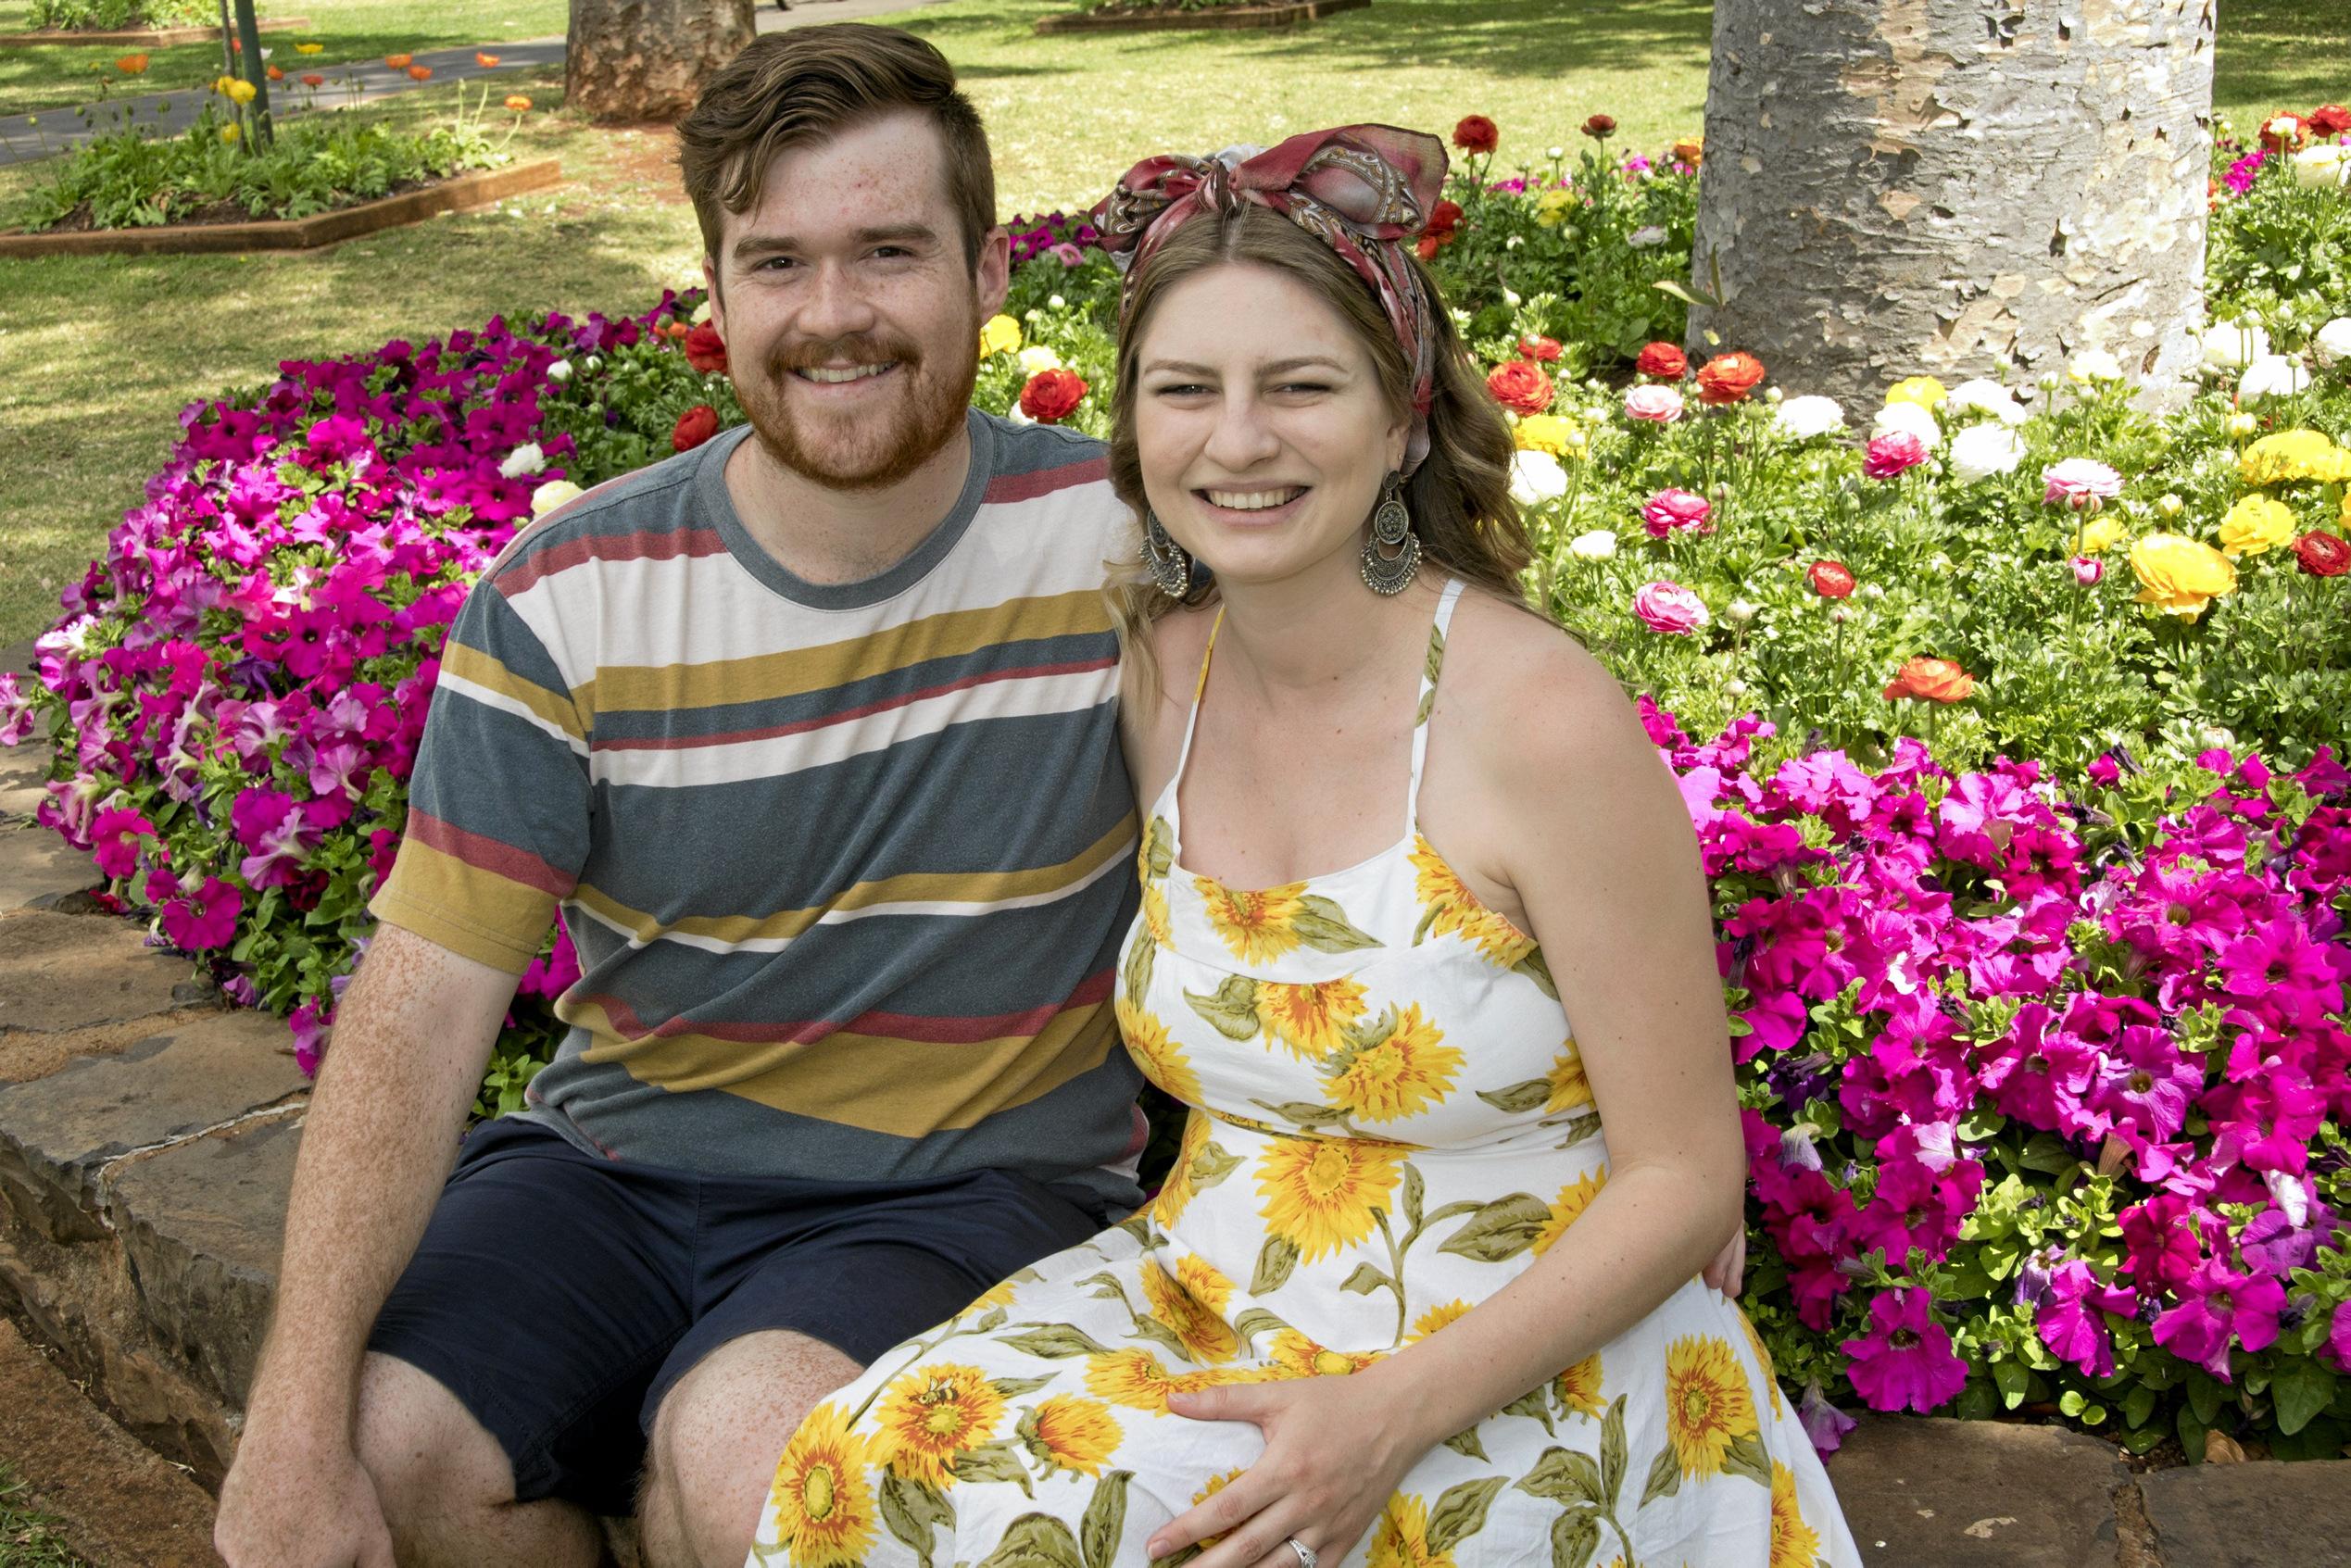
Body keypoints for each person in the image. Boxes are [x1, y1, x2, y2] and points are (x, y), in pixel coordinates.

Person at [742, 126, 1860, 1568]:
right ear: (1134, 429)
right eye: (1185, 390)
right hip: (1211, 1288)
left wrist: (1384, 1416)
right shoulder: (1167, 673)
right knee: (875, 1462)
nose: (1236, 441)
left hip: (1527, 1345)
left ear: (1401, 420)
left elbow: (1683, 1179)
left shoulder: (1533, 719)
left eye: (1300, 387)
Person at [212, 26, 1149, 1568]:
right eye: (774, 262)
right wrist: (290, 1428)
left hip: (970, 1186)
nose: (831, 316)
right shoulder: (574, 590)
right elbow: (427, 993)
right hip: (617, 1169)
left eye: (889, 252)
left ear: (987, 271)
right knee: (385, 1448)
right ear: (714, 292)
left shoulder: (1120, 547)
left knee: (752, 1451)